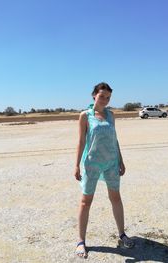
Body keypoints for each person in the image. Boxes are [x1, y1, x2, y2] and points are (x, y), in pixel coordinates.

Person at [74, 82, 134, 258]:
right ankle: (80, 241)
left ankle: (122, 234)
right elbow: (81, 142)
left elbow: (115, 140)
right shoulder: (85, 116)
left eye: (108, 97)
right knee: (86, 201)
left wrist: (121, 161)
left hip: (111, 163)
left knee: (116, 198)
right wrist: (76, 164)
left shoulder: (111, 115)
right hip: (91, 163)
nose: (105, 100)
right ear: (94, 95)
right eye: (102, 96)